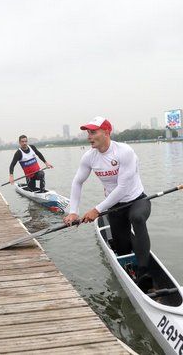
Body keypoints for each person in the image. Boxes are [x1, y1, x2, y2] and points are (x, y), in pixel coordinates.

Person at [63, 117, 153, 292]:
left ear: (106, 132)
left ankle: (145, 274)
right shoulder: (89, 157)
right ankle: (131, 256)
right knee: (122, 247)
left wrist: (97, 209)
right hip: (115, 207)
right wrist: (73, 212)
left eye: (93, 132)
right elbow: (77, 182)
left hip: (137, 200)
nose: (89, 136)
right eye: (88, 132)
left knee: (137, 218)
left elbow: (123, 187)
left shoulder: (124, 151)